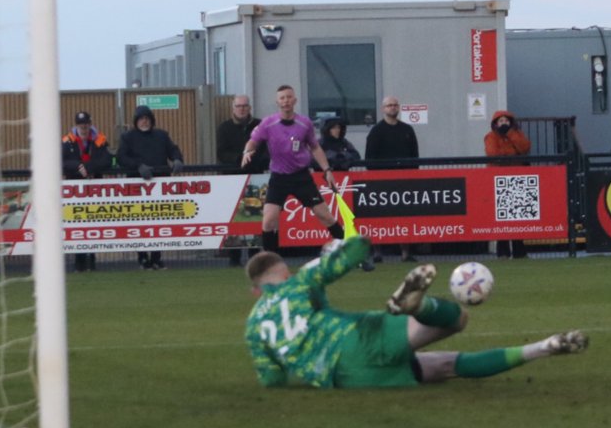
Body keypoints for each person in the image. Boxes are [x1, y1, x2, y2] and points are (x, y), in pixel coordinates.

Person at [244, 239, 587, 389]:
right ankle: (418, 305)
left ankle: (545, 346)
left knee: (445, 366)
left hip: (348, 379)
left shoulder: (253, 327)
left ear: (255, 291)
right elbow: (357, 250)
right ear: (284, 272)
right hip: (355, 339)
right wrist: (341, 248)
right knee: (458, 320)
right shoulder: (300, 282)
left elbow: (272, 380)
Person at [241, 86, 355, 266]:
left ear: (294, 100)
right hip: (278, 178)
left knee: (325, 216)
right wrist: (247, 151)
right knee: (268, 221)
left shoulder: (304, 123)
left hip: (301, 177)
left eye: (289, 97)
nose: (285, 101)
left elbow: (315, 147)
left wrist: (326, 171)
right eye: (282, 98)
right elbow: (253, 141)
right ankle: (272, 265)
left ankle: (352, 255)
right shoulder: (268, 124)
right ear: (277, 102)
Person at [117, 105, 185, 270]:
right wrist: (138, 166)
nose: (144, 121)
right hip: (137, 186)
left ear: (151, 120)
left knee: (159, 221)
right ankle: (142, 258)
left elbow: (173, 150)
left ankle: (156, 257)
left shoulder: (161, 135)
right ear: (136, 121)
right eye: (141, 118)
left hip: (160, 186)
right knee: (139, 222)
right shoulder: (128, 137)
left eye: (147, 118)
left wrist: (177, 159)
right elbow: (121, 157)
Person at [365, 95, 420, 262]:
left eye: (395, 105)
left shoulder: (407, 130)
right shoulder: (376, 131)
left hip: (404, 180)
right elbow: (369, 159)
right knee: (379, 217)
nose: (393, 108)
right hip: (381, 181)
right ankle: (377, 252)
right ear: (383, 109)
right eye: (389, 105)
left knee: (405, 216)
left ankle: (405, 252)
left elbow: (415, 156)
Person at [216, 96, 268, 267]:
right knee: (234, 219)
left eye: (245, 106)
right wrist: (241, 159)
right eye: (239, 106)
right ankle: (234, 258)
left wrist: (254, 160)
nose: (242, 109)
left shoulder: (260, 126)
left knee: (254, 218)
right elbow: (222, 153)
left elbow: (266, 149)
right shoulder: (224, 128)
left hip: (256, 178)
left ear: (250, 107)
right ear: (233, 108)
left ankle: (255, 257)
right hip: (232, 179)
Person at [62, 112, 113, 272]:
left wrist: (89, 167)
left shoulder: (100, 140)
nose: (83, 127)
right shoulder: (66, 141)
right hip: (74, 191)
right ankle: (79, 261)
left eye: (86, 124)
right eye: (80, 124)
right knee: (76, 224)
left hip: (94, 189)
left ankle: (92, 259)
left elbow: (107, 161)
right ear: (76, 125)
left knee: (93, 222)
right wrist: (77, 166)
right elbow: (59, 161)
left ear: (90, 124)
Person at [483, 110, 531, 258]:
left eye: (506, 121)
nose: (504, 123)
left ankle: (519, 249)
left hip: (516, 178)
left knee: (517, 214)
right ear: (495, 124)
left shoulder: (517, 134)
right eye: (501, 121)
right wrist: (511, 155)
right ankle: (502, 250)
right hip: (498, 180)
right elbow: (492, 154)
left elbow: (525, 148)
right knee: (501, 216)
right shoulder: (490, 137)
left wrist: (510, 134)